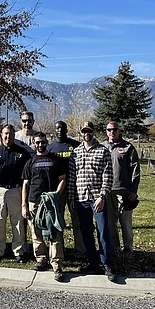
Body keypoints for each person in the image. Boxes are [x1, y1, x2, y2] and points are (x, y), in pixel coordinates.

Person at [67, 121, 116, 282]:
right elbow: (72, 177)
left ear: (93, 132)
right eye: (84, 131)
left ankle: (106, 263)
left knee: (103, 231)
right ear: (81, 133)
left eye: (89, 130)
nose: (86, 133)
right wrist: (71, 198)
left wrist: (102, 196)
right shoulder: (76, 152)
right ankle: (92, 261)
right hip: (81, 199)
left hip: (97, 199)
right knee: (86, 232)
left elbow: (108, 176)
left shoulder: (103, 151)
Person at [22, 131, 67, 282]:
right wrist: (24, 205)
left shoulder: (56, 160)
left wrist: (55, 195)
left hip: (51, 202)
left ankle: (56, 264)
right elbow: (25, 184)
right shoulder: (30, 162)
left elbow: (62, 179)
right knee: (36, 232)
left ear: (47, 142)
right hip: (34, 201)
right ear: (34, 144)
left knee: (55, 232)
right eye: (37, 142)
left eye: (43, 142)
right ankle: (41, 259)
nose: (40, 145)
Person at [0, 124, 31, 264]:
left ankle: (18, 252)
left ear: (13, 136)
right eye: (5, 134)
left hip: (16, 191)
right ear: (1, 135)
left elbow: (27, 175)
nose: (7, 136)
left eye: (10, 134)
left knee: (17, 223)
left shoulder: (22, 153)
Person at [47, 120, 86, 260]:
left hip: (75, 188)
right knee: (58, 220)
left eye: (62, 128)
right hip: (59, 189)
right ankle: (59, 251)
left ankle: (81, 251)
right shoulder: (50, 148)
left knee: (78, 221)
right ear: (54, 130)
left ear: (66, 130)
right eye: (57, 128)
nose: (60, 131)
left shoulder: (75, 145)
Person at [103, 121, 141, 259]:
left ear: (120, 131)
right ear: (106, 131)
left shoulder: (128, 147)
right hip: (107, 192)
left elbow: (135, 170)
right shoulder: (102, 147)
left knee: (125, 223)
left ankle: (128, 249)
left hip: (124, 192)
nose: (111, 132)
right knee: (110, 223)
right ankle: (115, 249)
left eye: (114, 130)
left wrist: (133, 191)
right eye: (109, 130)